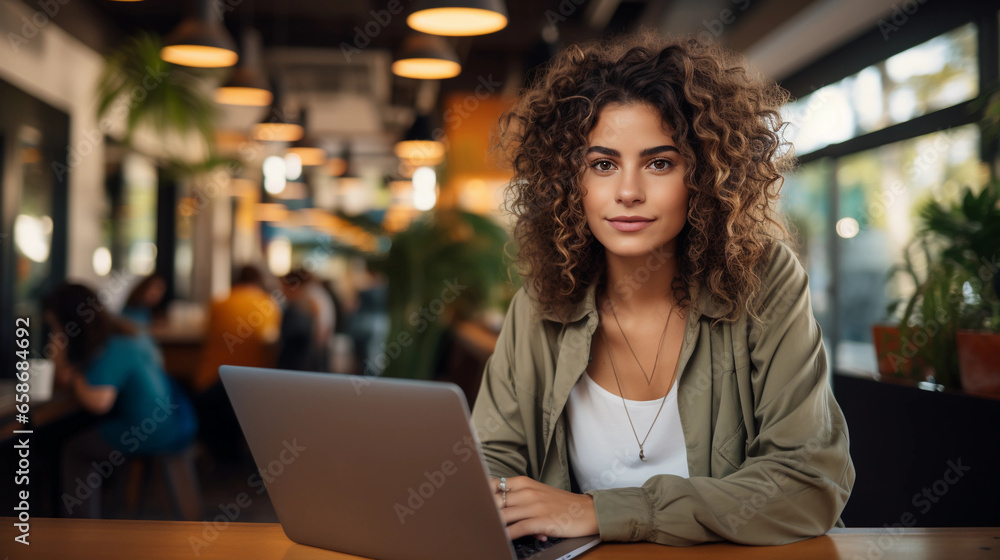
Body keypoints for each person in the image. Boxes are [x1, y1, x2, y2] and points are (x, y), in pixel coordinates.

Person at [472, 31, 855, 547]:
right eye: (602, 164)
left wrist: (601, 512)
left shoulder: (764, 282)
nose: (628, 192)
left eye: (659, 163)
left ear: (705, 176)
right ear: (568, 182)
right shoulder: (540, 305)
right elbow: (489, 465)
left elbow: (810, 482)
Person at [44, 283, 197, 518]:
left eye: (56, 327)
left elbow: (99, 402)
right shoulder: (129, 333)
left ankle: (78, 529)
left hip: (148, 431)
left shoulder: (110, 346)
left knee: (74, 450)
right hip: (175, 421)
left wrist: (70, 372)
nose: (56, 334)